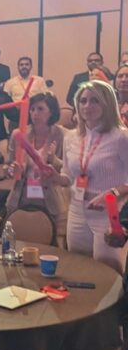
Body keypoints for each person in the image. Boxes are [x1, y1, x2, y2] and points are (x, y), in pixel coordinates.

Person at [54, 81, 128, 272]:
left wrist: (111, 193)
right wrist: (52, 177)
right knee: (78, 268)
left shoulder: (121, 137)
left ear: (107, 103)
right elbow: (68, 177)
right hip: (77, 209)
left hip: (109, 213)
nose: (87, 106)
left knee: (108, 273)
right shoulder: (70, 137)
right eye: (83, 101)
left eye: (94, 100)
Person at [4, 93, 66, 230]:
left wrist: (53, 160)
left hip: (50, 199)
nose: (34, 113)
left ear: (52, 112)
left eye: (40, 109)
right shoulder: (18, 134)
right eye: (31, 109)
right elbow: (7, 165)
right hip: (21, 197)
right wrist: (11, 170)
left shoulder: (62, 135)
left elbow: (67, 171)